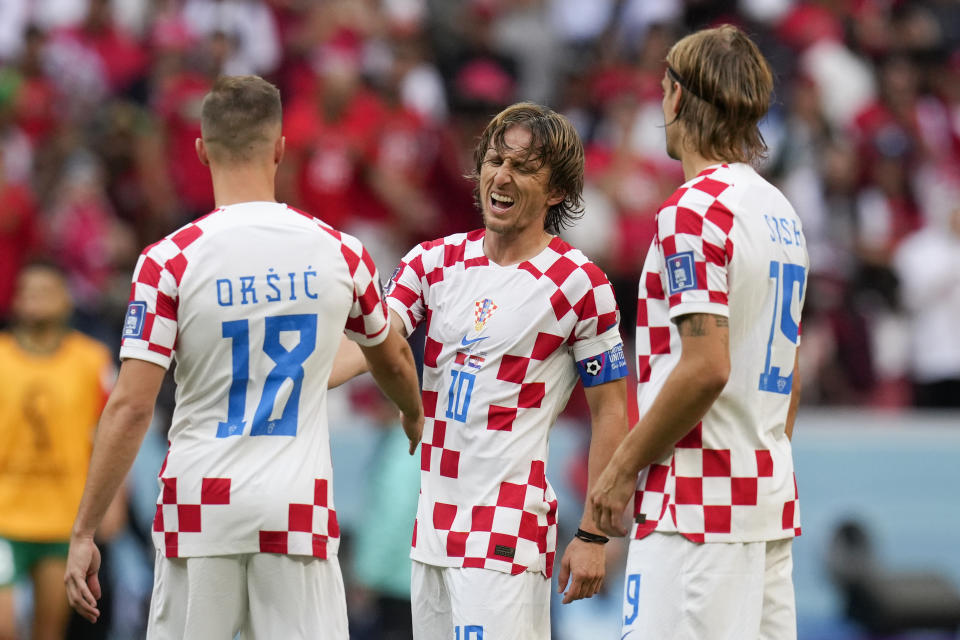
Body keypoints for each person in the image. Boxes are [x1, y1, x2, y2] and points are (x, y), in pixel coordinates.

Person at [63, 75, 424, 640]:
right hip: (296, 510)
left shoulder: (169, 262)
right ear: (280, 146)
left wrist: (85, 531)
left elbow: (131, 408)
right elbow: (393, 358)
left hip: (199, 507)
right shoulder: (340, 251)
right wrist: (410, 411)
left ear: (202, 150)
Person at [349, 101, 629, 639]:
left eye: (523, 167)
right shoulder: (433, 261)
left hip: (506, 530)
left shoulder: (579, 284)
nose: (501, 176)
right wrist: (302, 382)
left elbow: (611, 410)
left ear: (556, 193)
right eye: (495, 160)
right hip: (430, 528)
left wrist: (594, 534)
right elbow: (374, 342)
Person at [588, 25, 809, 640]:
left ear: (679, 97)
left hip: (694, 511)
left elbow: (706, 366)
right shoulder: (779, 212)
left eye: (663, 89)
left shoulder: (693, 211)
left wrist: (620, 468)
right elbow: (788, 377)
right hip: (765, 500)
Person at [0, 261, 124, 640]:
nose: (35, 298)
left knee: (49, 630)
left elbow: (113, 434)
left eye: (45, 290)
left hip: (64, 517)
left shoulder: (92, 360)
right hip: (4, 515)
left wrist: (114, 500)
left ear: (66, 300)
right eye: (27, 291)